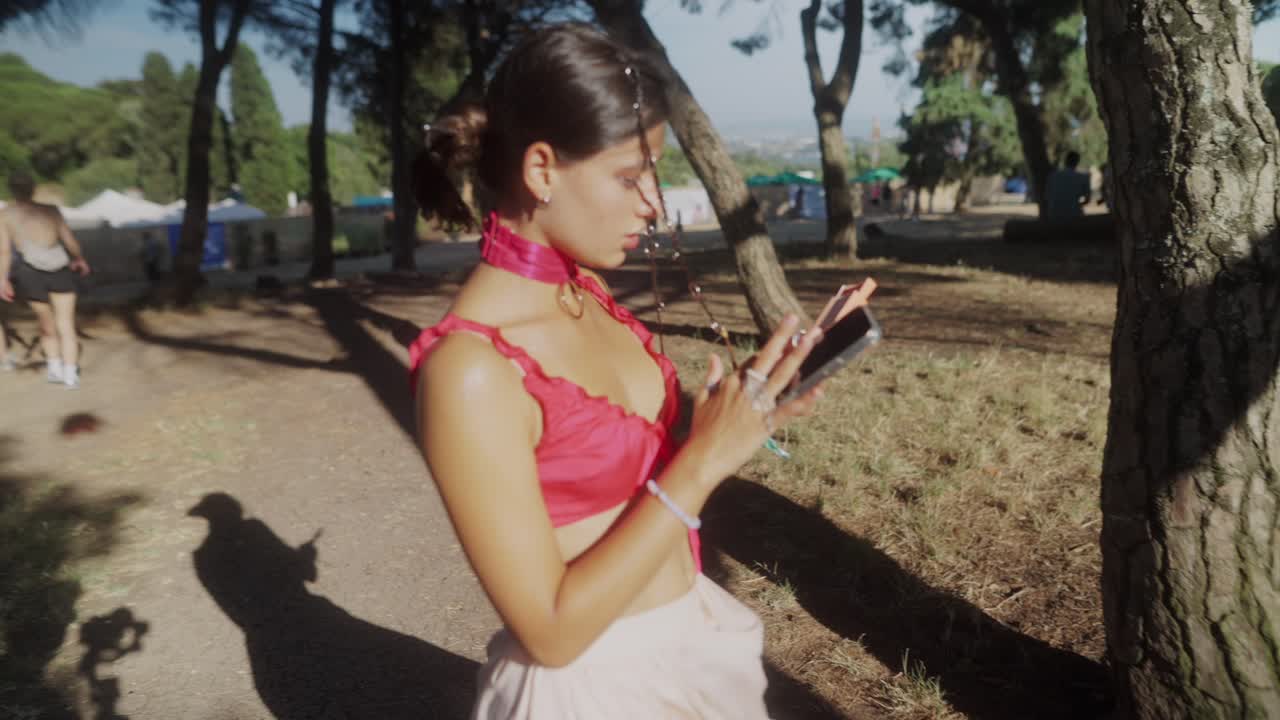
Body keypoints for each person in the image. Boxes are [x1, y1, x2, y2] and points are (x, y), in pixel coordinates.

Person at [409, 24, 827, 719]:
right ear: (542, 170)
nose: (653, 203)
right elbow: (550, 633)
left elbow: (626, 476)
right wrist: (702, 461)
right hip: (594, 689)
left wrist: (743, 411)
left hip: (693, 642)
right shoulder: (470, 372)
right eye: (630, 176)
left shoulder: (587, 293)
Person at [0, 172, 92, 388]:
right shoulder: (51, 211)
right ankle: (70, 375)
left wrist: (3, 279)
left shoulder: (5, 215)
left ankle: (54, 367)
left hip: (30, 272)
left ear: (12, 190)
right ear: (33, 188)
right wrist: (79, 258)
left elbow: (4, 251)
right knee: (66, 324)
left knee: (46, 323)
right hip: (60, 268)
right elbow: (70, 241)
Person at [1043, 151, 1092, 221]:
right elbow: (1087, 199)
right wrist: (1075, 204)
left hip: (1054, 214)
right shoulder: (1083, 178)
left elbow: (1047, 197)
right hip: (1074, 213)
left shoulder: (1053, 176)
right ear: (1077, 162)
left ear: (1065, 161)